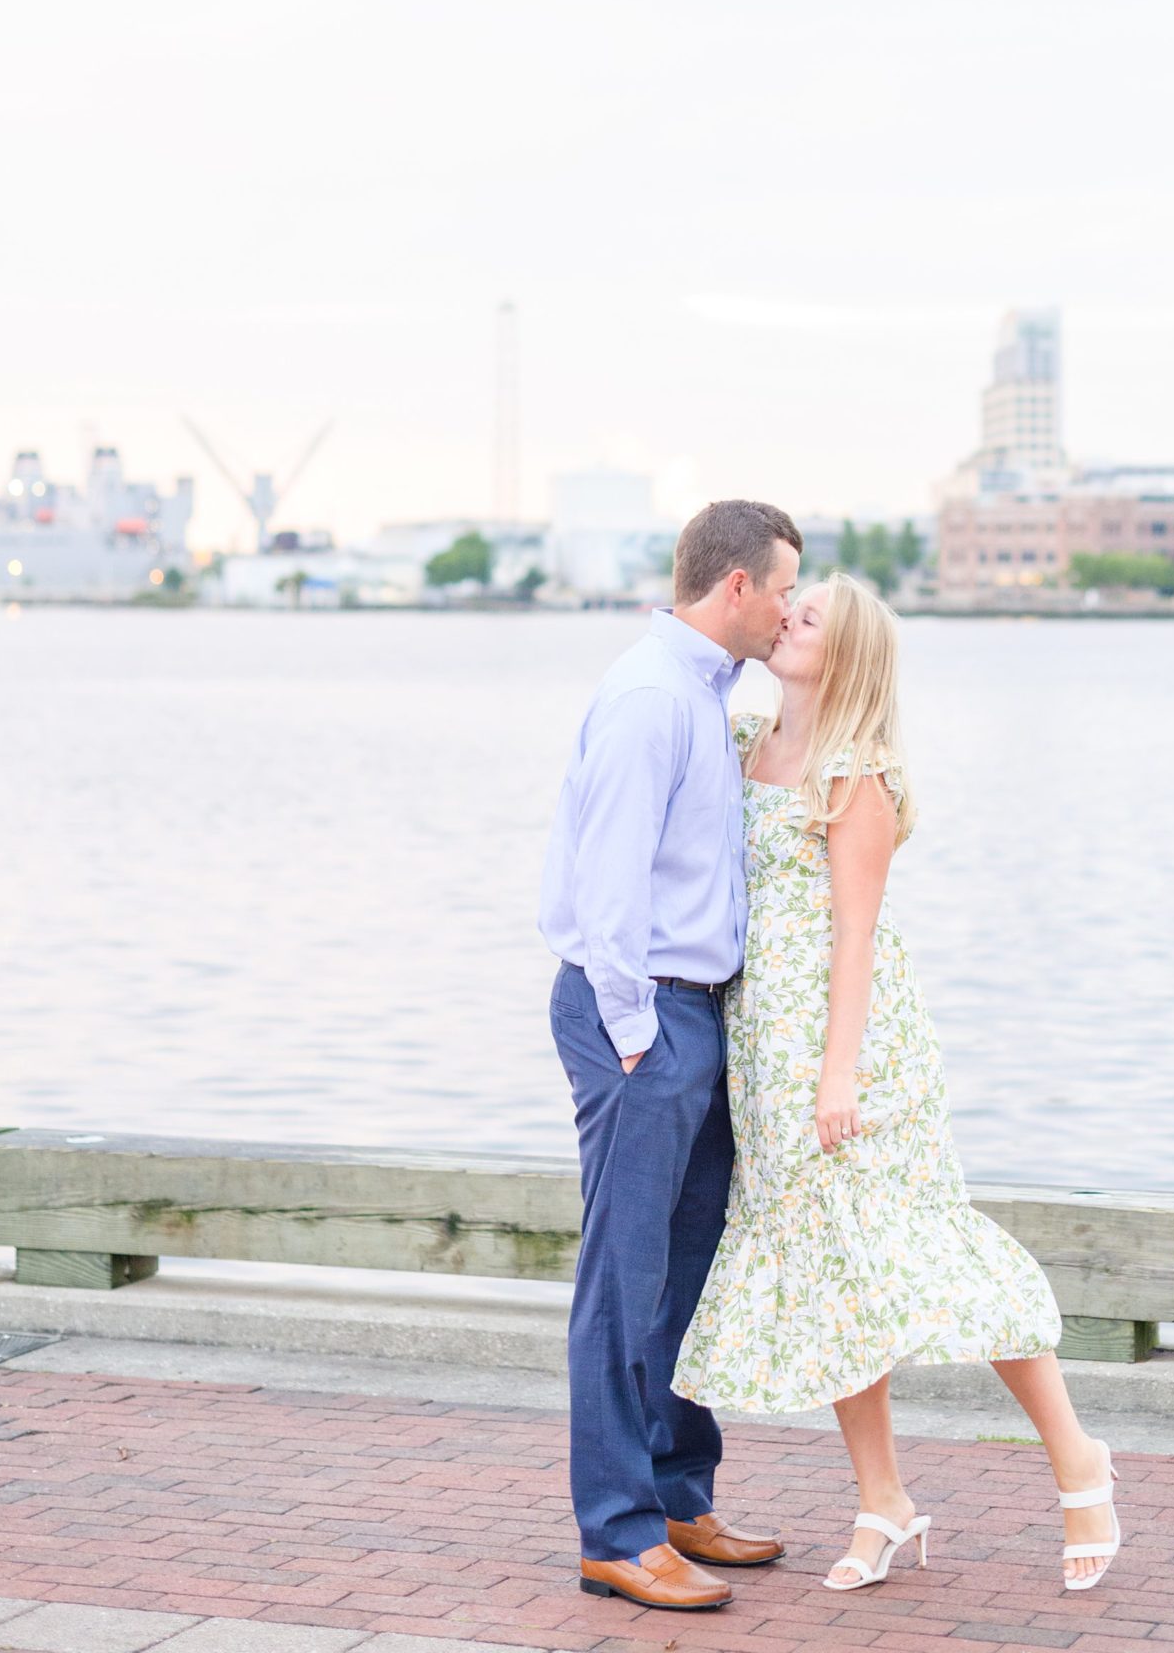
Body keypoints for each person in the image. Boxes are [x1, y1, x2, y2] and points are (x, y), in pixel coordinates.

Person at [673, 571, 1123, 1595]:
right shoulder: (745, 744)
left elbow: (856, 935)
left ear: (848, 653)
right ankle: (883, 1500)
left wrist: (838, 1072)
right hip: (760, 1047)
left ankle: (1076, 1458)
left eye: (810, 614)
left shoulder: (855, 770)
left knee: (923, 1250)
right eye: (788, 604)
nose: (787, 616)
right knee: (835, 1280)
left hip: (853, 1052)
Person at [538, 498, 803, 1612]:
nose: (791, 607)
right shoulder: (653, 698)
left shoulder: (704, 694)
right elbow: (606, 890)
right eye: (784, 586)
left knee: (685, 1273)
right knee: (623, 1277)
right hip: (640, 1014)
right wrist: (639, 1037)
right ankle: (616, 1531)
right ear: (734, 586)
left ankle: (679, 1497)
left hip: (694, 1014)